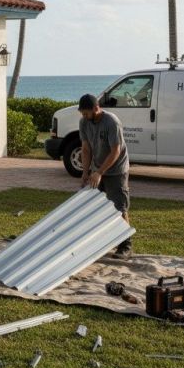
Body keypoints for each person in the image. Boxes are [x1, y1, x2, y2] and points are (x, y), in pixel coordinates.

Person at [78, 93, 133, 259]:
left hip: (116, 170)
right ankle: (101, 243)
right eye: (82, 113)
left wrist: (100, 172)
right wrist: (85, 172)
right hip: (97, 169)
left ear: (96, 108)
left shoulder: (111, 122)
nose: (84, 116)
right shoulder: (84, 122)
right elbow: (86, 148)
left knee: (119, 208)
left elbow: (116, 150)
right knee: (96, 207)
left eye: (86, 113)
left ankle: (126, 246)